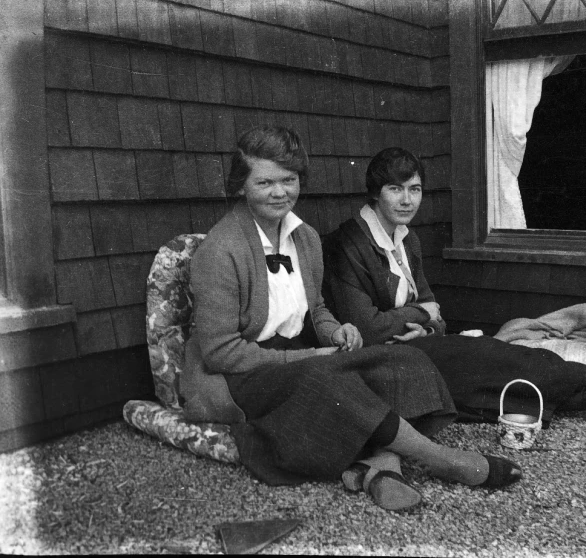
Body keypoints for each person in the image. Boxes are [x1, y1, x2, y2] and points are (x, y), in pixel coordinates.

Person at [179, 127, 522, 513]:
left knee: (401, 361)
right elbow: (221, 353)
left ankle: (382, 466)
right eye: (265, 182)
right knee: (323, 377)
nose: (280, 192)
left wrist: (334, 330)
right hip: (239, 376)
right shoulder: (220, 251)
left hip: (296, 357)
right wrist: (310, 357)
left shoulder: (304, 238)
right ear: (241, 186)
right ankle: (441, 458)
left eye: (289, 180)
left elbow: (317, 308)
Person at [323, 147, 586, 430]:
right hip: (374, 359)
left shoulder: (406, 238)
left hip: (416, 344)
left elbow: (435, 313)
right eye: (395, 189)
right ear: (374, 192)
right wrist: (420, 314)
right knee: (484, 355)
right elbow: (366, 327)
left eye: (415, 189)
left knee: (488, 371)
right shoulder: (348, 243)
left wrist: (426, 324)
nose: (407, 200)